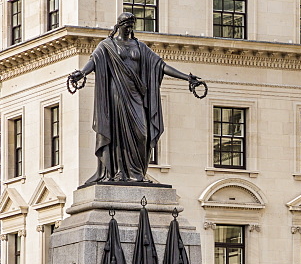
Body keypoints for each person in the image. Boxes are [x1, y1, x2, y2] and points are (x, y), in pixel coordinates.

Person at [67, 12, 207, 183]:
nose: (129, 29)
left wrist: (187, 77)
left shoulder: (140, 47)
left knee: (142, 133)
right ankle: (119, 172)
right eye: (127, 25)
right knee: (118, 133)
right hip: (117, 92)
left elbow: (161, 66)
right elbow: (94, 62)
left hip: (136, 94)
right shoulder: (107, 46)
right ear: (119, 26)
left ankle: (136, 172)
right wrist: (81, 73)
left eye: (132, 26)